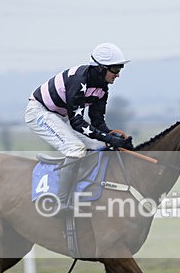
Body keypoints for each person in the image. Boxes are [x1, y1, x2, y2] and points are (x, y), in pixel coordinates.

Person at [25, 42, 133, 216]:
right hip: (40, 112)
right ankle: (61, 202)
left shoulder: (102, 88)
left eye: (120, 68)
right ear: (100, 68)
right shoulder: (79, 81)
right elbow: (77, 122)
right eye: (115, 69)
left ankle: (80, 187)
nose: (118, 74)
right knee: (75, 149)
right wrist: (108, 139)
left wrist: (114, 139)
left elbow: (97, 122)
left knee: (98, 147)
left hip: (62, 116)